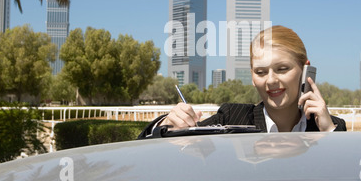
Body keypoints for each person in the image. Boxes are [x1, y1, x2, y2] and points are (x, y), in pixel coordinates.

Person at [138, 25, 346, 139]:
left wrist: (329, 133)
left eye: (282, 69)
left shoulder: (333, 127)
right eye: (261, 72)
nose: (271, 80)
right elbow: (152, 145)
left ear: (305, 69)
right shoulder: (232, 117)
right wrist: (166, 125)